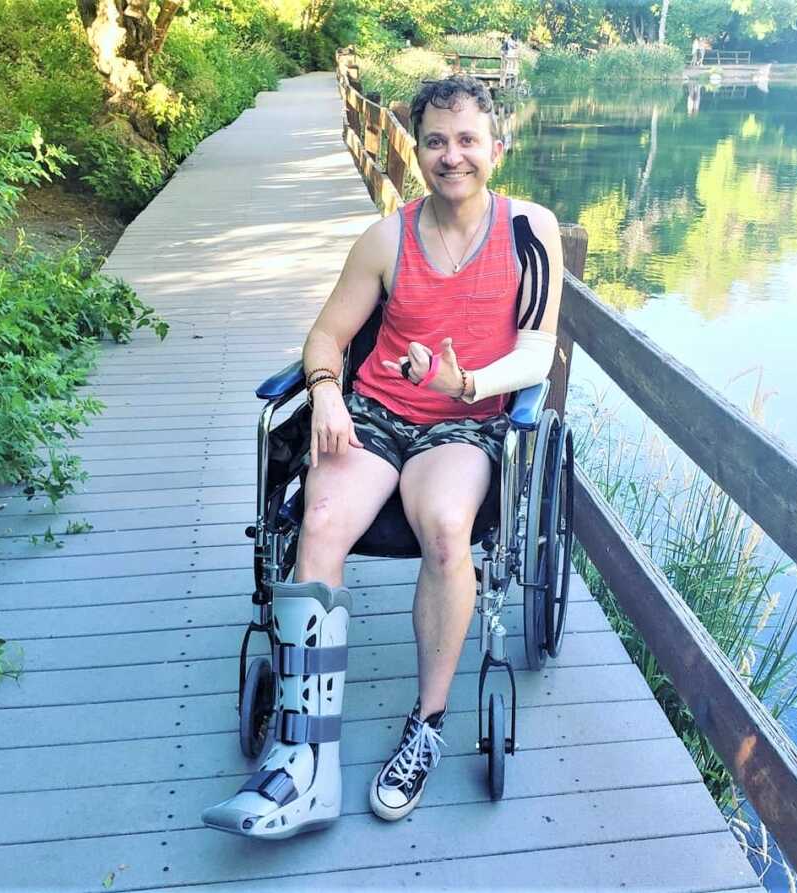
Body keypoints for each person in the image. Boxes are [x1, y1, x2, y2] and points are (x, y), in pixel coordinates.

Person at [203, 75, 563, 838]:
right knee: (322, 519)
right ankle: (304, 757)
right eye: (436, 140)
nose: (451, 156)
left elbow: (536, 353)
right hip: (375, 413)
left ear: (496, 148)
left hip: (463, 423)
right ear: (418, 148)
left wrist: (465, 380)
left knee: (445, 525)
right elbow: (327, 335)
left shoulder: (531, 231)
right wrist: (327, 393)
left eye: (468, 140)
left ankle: (425, 725)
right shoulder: (386, 237)